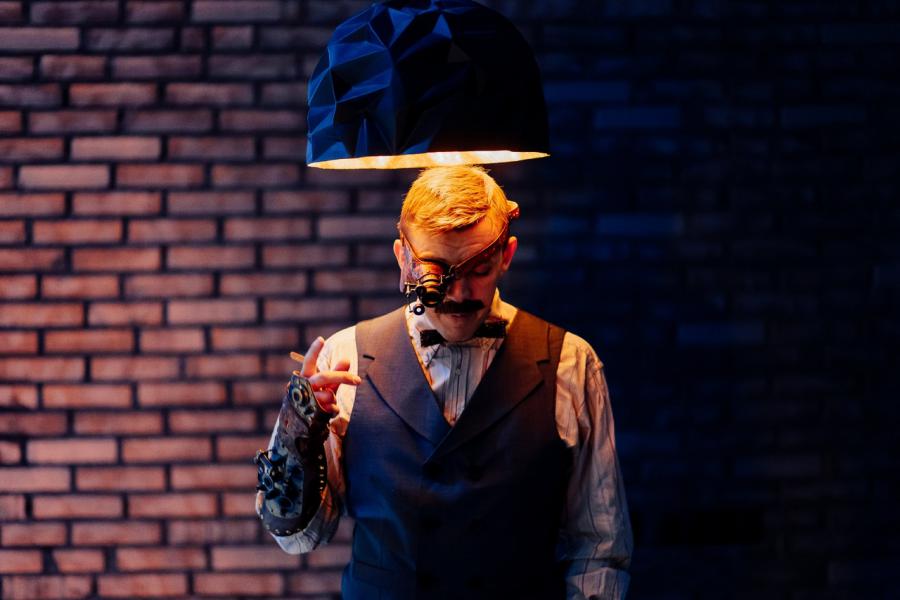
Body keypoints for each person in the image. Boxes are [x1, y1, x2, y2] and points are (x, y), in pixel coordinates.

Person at [255, 165, 633, 599]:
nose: (458, 293)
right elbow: (298, 538)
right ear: (404, 258)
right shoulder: (345, 358)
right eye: (438, 271)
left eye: (479, 270)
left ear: (506, 255)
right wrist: (299, 431)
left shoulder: (571, 363)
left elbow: (600, 548)